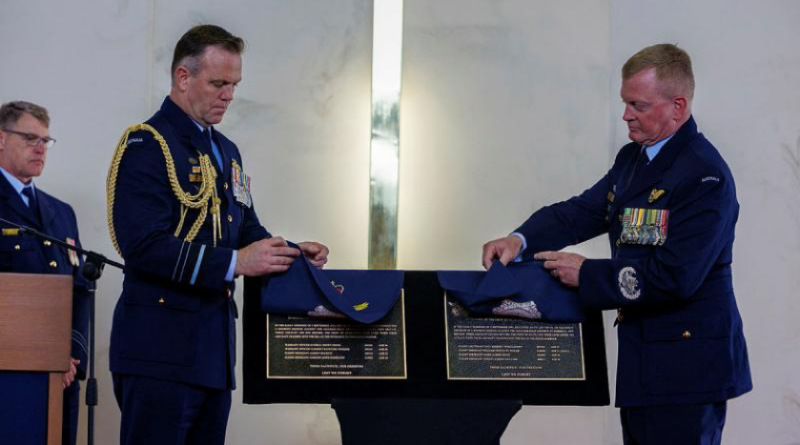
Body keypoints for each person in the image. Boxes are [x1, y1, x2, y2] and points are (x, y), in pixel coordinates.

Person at [482, 44, 751, 444]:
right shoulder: (633, 160)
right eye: (625, 103)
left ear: (677, 106)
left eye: (638, 105)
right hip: (644, 359)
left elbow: (675, 276)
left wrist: (586, 273)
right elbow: (581, 212)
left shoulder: (704, 175)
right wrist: (518, 239)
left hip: (688, 366)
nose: (626, 114)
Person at [107, 24, 329, 444]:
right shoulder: (146, 145)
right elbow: (142, 246)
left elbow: (246, 229)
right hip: (158, 349)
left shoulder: (226, 150)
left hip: (212, 349)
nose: (229, 94)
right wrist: (237, 262)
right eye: (218, 83)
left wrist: (293, 253)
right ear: (183, 78)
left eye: (234, 84)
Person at [0, 100, 89, 445]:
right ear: (2, 139)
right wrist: (40, 353)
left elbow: (79, 289)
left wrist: (69, 356)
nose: (40, 148)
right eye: (29, 138)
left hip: (60, 375)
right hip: (10, 374)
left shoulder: (60, 212)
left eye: (46, 141)